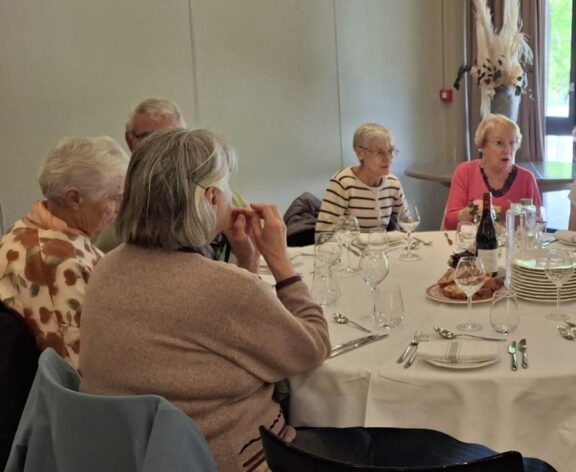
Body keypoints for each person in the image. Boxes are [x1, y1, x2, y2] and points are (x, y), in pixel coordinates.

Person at [79, 129, 549, 472]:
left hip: (141, 455)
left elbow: (224, 332)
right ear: (208, 199)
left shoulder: (107, 267)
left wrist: (245, 260)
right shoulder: (216, 287)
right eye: (225, 188)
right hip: (246, 457)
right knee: (450, 448)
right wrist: (279, 262)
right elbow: (310, 348)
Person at [0, 137, 128, 370]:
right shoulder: (58, 262)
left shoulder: (22, 230)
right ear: (74, 199)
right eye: (114, 198)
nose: (119, 209)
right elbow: (77, 367)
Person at [94, 97, 247, 252]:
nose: (166, 147)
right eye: (151, 138)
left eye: (176, 136)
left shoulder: (223, 194)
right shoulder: (110, 197)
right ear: (129, 140)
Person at [443, 114, 542, 230]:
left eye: (512, 143)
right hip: (474, 241)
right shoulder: (464, 172)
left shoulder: (526, 178)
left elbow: (540, 224)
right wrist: (472, 210)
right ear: (483, 145)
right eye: (499, 143)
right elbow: (449, 222)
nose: (507, 150)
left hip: (513, 242)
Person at [316, 123, 407, 234]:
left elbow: (407, 225)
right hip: (350, 245)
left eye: (390, 151)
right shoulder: (343, 183)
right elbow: (323, 234)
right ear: (360, 153)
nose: (388, 159)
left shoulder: (393, 183)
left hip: (383, 244)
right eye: (379, 152)